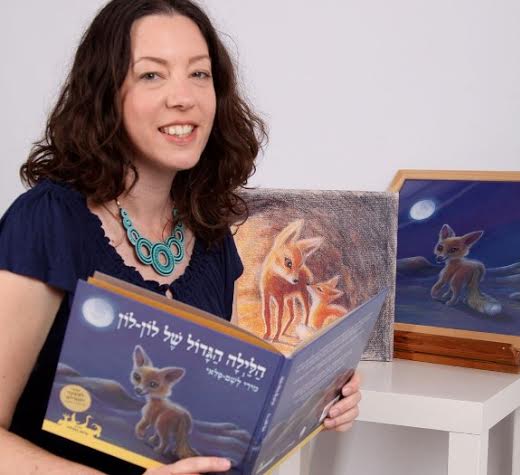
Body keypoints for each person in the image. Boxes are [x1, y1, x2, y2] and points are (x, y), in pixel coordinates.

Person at [0, 1, 362, 474]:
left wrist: (315, 400)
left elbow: (218, 404)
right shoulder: (46, 222)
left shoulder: (211, 234)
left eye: (199, 74)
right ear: (105, 92)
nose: (184, 97)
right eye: (152, 75)